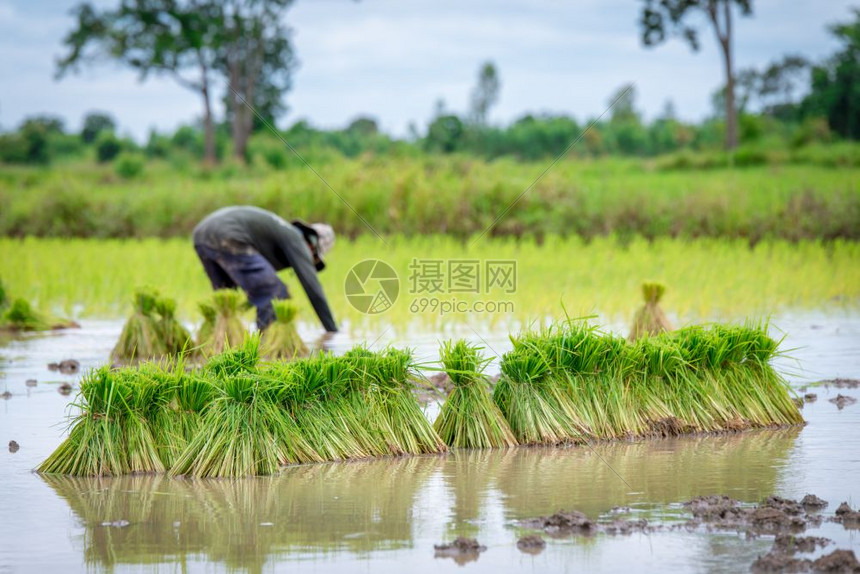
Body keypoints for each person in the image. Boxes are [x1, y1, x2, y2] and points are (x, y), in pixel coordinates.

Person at [192, 206, 337, 332]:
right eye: (313, 257)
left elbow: (254, 287)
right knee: (275, 293)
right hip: (229, 233)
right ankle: (266, 344)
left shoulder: (280, 234)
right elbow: (313, 288)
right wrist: (332, 331)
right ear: (312, 245)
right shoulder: (297, 239)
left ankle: (219, 341)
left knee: (228, 299)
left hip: (201, 235)